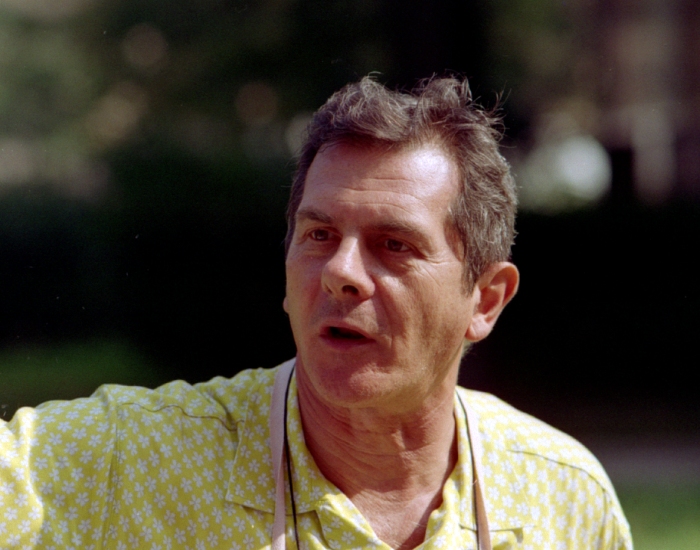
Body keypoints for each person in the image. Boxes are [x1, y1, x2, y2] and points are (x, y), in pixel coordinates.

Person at [0, 77, 632, 550]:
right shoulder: (138, 461)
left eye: (394, 245)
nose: (340, 271)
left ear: (485, 300)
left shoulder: (562, 499)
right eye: (319, 236)